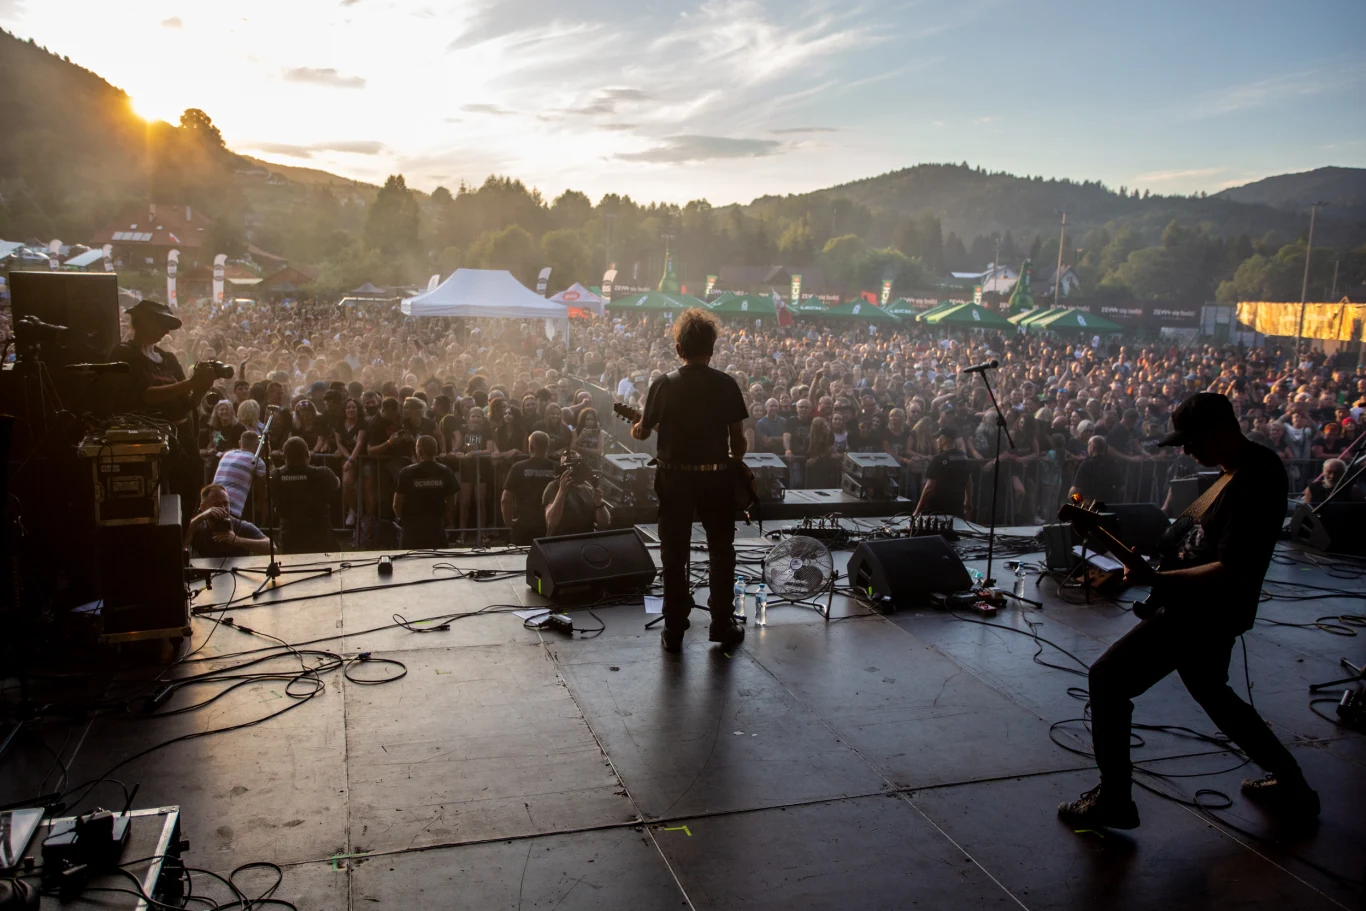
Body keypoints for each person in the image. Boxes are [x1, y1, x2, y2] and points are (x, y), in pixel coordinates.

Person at [1059, 393, 1318, 829]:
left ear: (1220, 430)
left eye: (1191, 440)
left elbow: (1234, 568)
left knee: (1107, 679)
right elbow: (1194, 538)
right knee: (1212, 692)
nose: (1187, 450)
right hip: (1197, 606)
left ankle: (1115, 799)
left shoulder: (1255, 478)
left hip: (1203, 612)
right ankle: (1292, 784)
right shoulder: (1231, 472)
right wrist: (1152, 557)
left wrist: (1158, 580)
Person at [630, 308, 747, 652]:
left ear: (678, 348)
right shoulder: (726, 384)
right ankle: (722, 624)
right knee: (722, 552)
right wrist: (729, 460)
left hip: (674, 481)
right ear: (711, 349)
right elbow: (737, 444)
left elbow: (642, 433)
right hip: (717, 480)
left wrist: (637, 426)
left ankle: (675, 628)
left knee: (674, 553)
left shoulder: (663, 385)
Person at [110, 298, 217, 520]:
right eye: (161, 324)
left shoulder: (167, 358)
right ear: (144, 323)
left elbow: (187, 401)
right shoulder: (125, 354)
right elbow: (146, 395)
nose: (166, 331)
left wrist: (200, 389)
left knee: (188, 493)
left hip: (181, 438)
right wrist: (191, 384)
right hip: (149, 443)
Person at [271, 436, 339, 554]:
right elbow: (337, 484)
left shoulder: (276, 476)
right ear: (308, 454)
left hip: (290, 538)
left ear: (284, 457)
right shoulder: (323, 473)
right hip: (320, 536)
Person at [393, 435, 459, 549]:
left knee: (409, 564)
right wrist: (441, 516)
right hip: (436, 527)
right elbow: (452, 502)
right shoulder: (446, 471)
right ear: (436, 450)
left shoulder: (406, 472)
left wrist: (404, 519)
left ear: (419, 451)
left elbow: (396, 503)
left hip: (411, 529)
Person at [185, 483, 271, 558]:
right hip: (205, 575)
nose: (223, 508)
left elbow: (271, 547)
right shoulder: (198, 528)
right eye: (216, 505)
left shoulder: (240, 526)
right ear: (203, 507)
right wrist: (201, 517)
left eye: (225, 504)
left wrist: (237, 540)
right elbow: (179, 542)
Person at [502, 431, 558, 544]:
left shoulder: (518, 467)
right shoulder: (557, 468)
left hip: (523, 523)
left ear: (530, 447)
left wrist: (508, 521)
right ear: (548, 446)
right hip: (550, 523)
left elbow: (505, 499)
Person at [913, 425, 974, 518]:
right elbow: (969, 482)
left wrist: (917, 511)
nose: (936, 440)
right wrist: (968, 502)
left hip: (938, 509)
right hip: (957, 507)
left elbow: (929, 488)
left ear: (944, 440)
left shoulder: (938, 459)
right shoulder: (964, 457)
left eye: (938, 438)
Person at [543, 452, 610, 536]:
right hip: (560, 542)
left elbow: (605, 523)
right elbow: (551, 522)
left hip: (584, 541)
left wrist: (599, 503)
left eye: (578, 463)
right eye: (570, 465)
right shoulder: (554, 486)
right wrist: (562, 492)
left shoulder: (588, 489)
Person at [212, 430, 268, 518]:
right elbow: (267, 481)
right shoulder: (256, 461)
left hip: (210, 506)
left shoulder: (226, 454)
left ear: (239, 443)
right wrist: (258, 506)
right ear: (258, 446)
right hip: (230, 510)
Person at [1069, 435, 1126, 504]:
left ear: (1092, 448)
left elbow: (1074, 491)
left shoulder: (1086, 464)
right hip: (1108, 504)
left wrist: (1081, 501)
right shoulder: (1112, 463)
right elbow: (1121, 488)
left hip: (1089, 505)